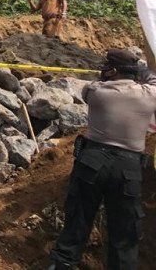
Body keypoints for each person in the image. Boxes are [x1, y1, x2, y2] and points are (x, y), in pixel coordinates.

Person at [48, 49, 156, 270]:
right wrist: (144, 70)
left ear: (112, 70)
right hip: (129, 168)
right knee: (125, 231)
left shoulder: (96, 91)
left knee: (78, 219)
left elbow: (93, 85)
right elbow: (153, 81)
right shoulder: (149, 94)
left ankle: (63, 265)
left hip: (92, 162)